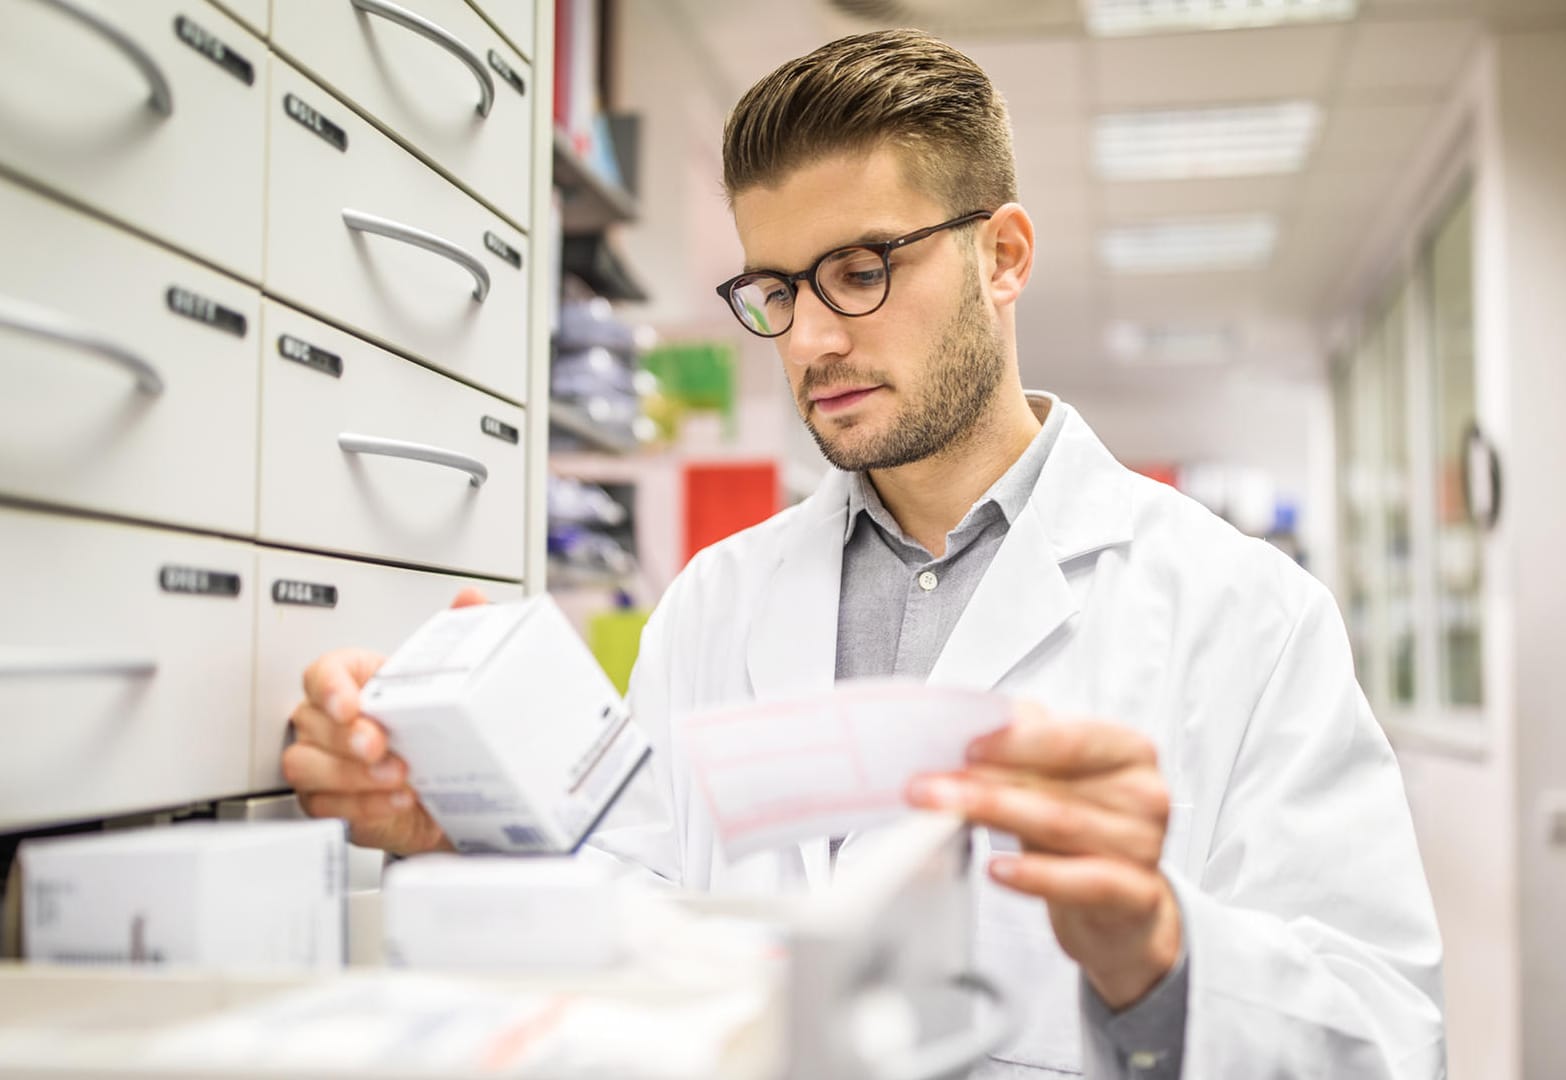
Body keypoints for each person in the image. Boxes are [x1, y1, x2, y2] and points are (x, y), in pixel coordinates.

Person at [283, 28, 1445, 1078]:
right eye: (776, 290)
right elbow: (638, 913)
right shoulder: (716, 603)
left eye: (860, 270)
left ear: (1003, 256)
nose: (815, 339)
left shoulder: (1242, 609)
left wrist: (1161, 954)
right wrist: (466, 841)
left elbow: (1387, 1035)